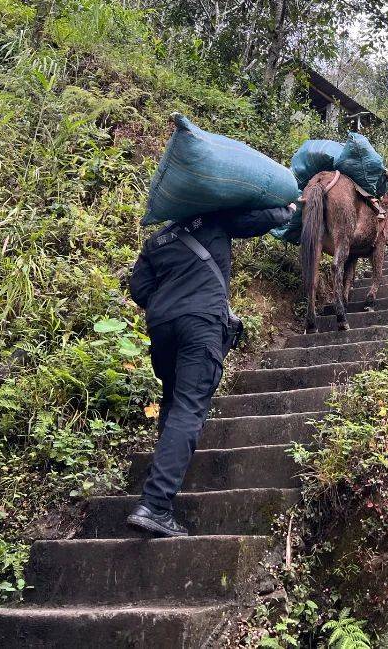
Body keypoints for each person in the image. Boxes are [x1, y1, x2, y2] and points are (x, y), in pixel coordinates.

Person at [126, 203, 294, 537]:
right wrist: (288, 208)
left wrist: (170, 301)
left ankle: (162, 487)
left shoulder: (157, 240)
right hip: (201, 324)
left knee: (174, 403)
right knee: (188, 408)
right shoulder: (215, 219)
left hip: (162, 329)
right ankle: (156, 504)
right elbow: (260, 218)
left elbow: (139, 290)